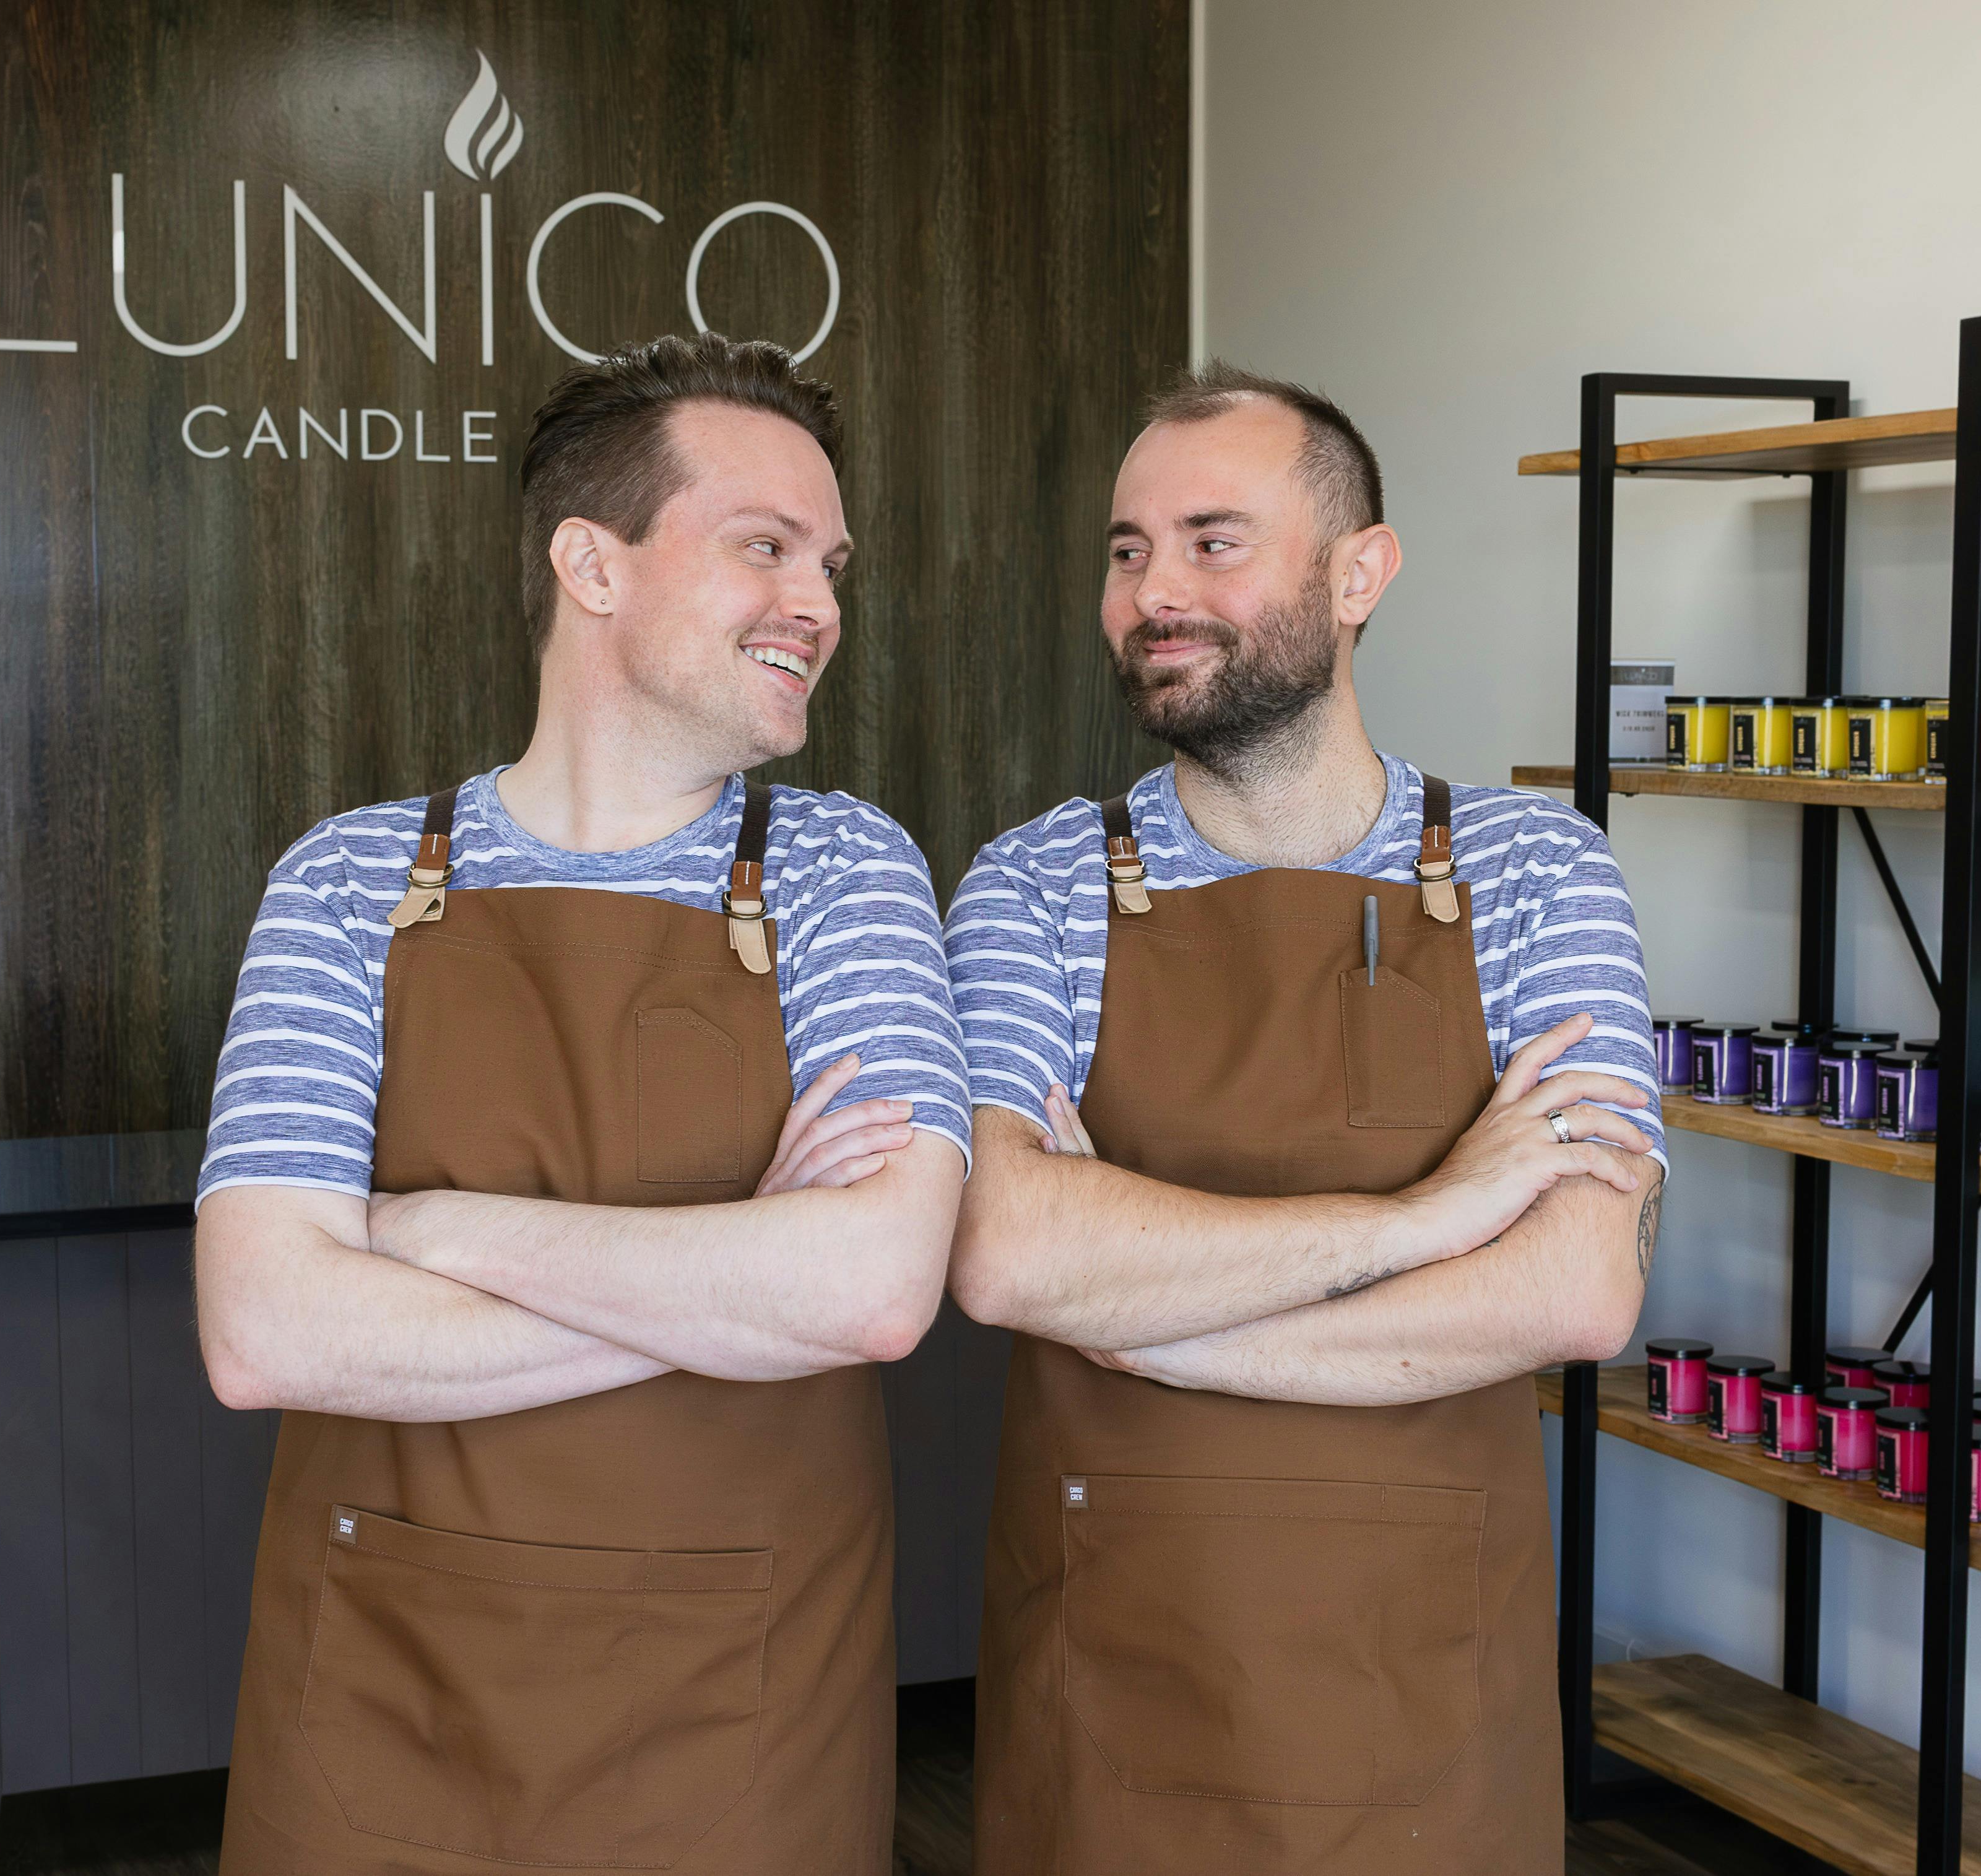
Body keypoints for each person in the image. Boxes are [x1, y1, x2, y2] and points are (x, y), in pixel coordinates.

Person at [194, 332, 971, 1875]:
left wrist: (423, 1232)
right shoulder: (343, 881)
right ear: (589, 564)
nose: (818, 604)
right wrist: (732, 1270)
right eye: (763, 546)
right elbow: (266, 1332)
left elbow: (874, 1290)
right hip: (384, 1696)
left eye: (831, 561)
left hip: (738, 1715)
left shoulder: (844, 869)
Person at [944, 362, 1664, 1874]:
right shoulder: (1030, 883)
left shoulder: (1535, 868)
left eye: (1214, 540)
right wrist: (1423, 1224)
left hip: (1422, 1686)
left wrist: (1153, 1324)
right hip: (1113, 1676)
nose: (1152, 592)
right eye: (1126, 549)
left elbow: (1576, 1286)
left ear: (1359, 573)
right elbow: (1010, 1252)